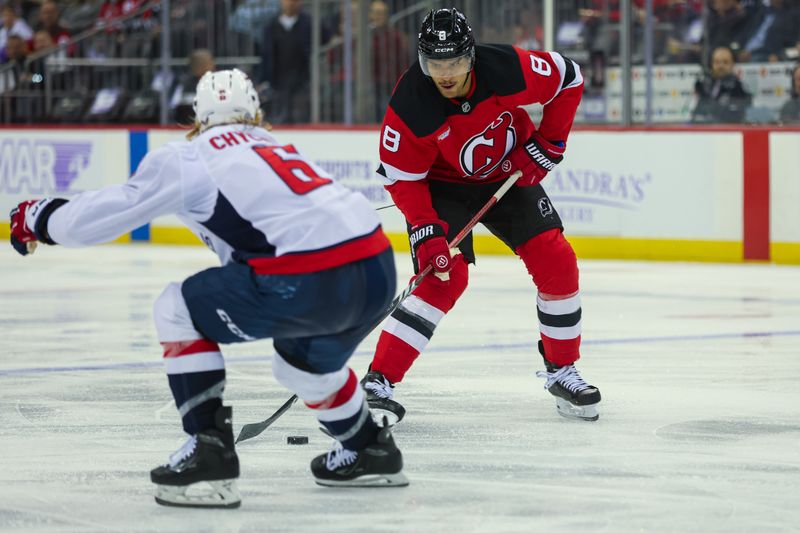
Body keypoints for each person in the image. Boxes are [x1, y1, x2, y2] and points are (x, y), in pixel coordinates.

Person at [9, 69, 408, 509]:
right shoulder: (276, 146)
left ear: (195, 118)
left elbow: (104, 216)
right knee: (299, 369)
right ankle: (371, 449)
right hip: (376, 267)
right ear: (256, 113)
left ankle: (209, 452)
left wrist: (39, 217)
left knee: (176, 308)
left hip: (307, 275)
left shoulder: (189, 156)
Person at [360, 8, 601, 424]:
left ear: (470, 56)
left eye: (453, 61)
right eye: (435, 63)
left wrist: (550, 143)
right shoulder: (411, 103)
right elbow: (403, 180)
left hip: (509, 174)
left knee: (556, 259)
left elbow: (568, 78)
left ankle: (562, 370)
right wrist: (426, 232)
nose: (445, 73)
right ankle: (378, 381)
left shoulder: (507, 67)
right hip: (440, 188)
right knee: (444, 276)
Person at [260, 0, 311, 124]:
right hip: (278, 76)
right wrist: (264, 78)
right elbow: (266, 54)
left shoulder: (308, 23)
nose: (291, 3)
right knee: (279, 112)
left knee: (300, 112)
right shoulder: (272, 25)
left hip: (302, 75)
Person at [691, 45, 751, 124]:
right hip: (703, 132)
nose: (720, 66)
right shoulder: (703, 85)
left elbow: (737, 116)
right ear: (711, 64)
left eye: (725, 62)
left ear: (733, 64)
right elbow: (696, 114)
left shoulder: (739, 89)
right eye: (717, 62)